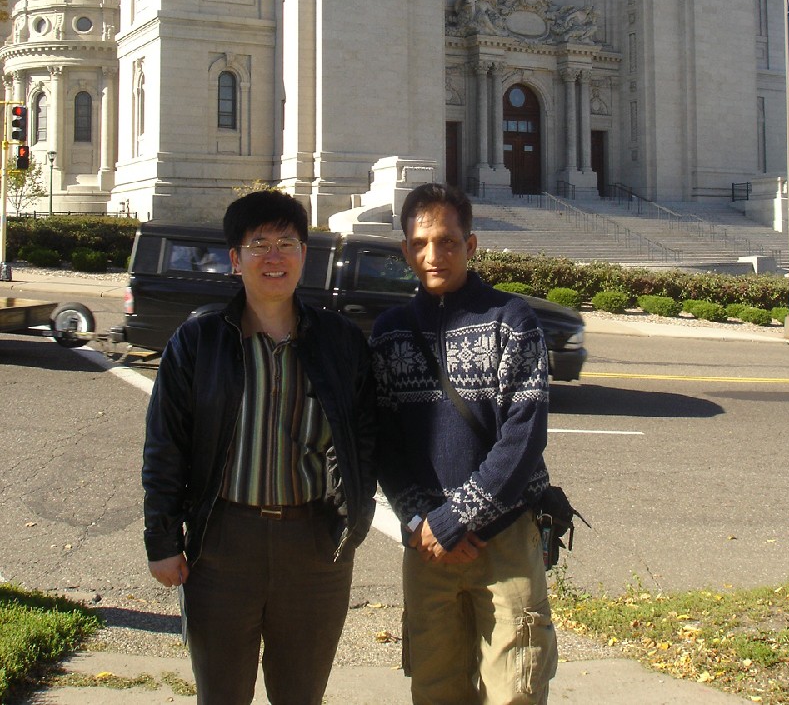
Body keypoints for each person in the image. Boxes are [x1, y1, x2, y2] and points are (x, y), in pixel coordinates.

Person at [142, 190, 376, 705]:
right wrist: (162, 539)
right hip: (223, 544)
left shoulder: (340, 342)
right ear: (235, 259)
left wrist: (353, 522)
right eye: (259, 244)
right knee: (221, 694)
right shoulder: (198, 342)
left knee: (301, 694)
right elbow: (165, 445)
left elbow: (362, 439)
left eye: (287, 243)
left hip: (314, 547)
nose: (274, 257)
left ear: (304, 254)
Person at [370, 183, 557, 704]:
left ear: (470, 245)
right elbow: (384, 441)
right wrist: (420, 520)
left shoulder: (511, 320)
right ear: (405, 249)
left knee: (515, 691)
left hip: (504, 540)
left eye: (447, 242)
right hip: (428, 547)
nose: (434, 255)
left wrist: (457, 520)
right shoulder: (389, 332)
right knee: (436, 689)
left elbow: (524, 435)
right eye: (420, 243)